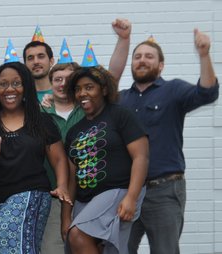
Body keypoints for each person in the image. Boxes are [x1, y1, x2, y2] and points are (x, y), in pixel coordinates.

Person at [40, 19, 133, 254]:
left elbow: (113, 75)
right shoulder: (40, 111)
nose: (63, 84)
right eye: (57, 79)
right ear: (49, 84)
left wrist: (123, 40)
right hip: (55, 195)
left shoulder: (90, 110)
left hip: (100, 193)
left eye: (69, 80)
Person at [124, 29, 219, 254]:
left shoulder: (173, 90)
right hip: (127, 193)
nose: (142, 60)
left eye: (149, 56)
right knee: (118, 249)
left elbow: (207, 93)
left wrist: (204, 55)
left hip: (164, 190)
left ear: (161, 65)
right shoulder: (121, 100)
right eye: (137, 57)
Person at [0, 61, 71, 254]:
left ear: (26, 87)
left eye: (17, 83)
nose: (10, 89)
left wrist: (61, 185)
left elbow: (59, 159)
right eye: (3, 84)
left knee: (9, 241)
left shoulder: (41, 121)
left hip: (30, 194)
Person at [64, 66, 149, 254]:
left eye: (89, 87)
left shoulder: (120, 115)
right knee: (98, 247)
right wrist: (65, 217)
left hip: (118, 191)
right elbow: (71, 179)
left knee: (78, 235)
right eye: (77, 89)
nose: (82, 93)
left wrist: (131, 197)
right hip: (85, 199)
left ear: (103, 89)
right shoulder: (74, 131)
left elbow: (141, 157)